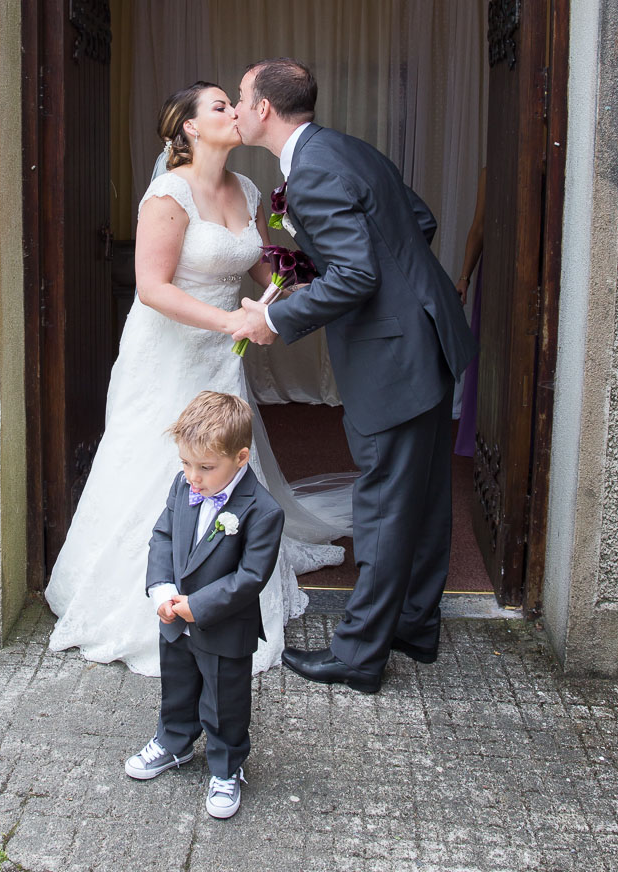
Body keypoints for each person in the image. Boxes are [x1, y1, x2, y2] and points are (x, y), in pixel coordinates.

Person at [45, 81, 342, 677]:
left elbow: (258, 261)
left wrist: (297, 282)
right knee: (158, 458)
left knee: (227, 455)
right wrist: (230, 318)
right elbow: (153, 289)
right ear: (188, 128)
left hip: (221, 354)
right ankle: (147, 593)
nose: (234, 112)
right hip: (169, 351)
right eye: (220, 106)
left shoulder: (248, 189)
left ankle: (227, 578)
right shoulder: (168, 194)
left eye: (233, 103)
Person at [232, 58, 477, 693]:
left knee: (384, 504)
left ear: (263, 109)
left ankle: (360, 655)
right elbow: (416, 221)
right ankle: (415, 626)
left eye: (240, 96)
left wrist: (276, 322)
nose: (236, 106)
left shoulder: (312, 172)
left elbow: (358, 276)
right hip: (428, 336)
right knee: (421, 496)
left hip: (394, 357)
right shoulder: (348, 151)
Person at [125, 392, 283, 819]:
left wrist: (200, 604)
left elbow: (250, 577)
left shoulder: (263, 511)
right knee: (177, 687)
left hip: (223, 625)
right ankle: (174, 742)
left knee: (224, 701)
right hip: (174, 618)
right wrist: (161, 588)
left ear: (241, 457)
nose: (192, 477)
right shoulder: (184, 485)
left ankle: (227, 767)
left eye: (206, 468)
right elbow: (164, 536)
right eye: (185, 464)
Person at [454, 167, 486, 457]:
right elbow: (479, 227)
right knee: (485, 348)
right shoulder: (491, 172)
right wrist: (465, 276)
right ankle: (477, 432)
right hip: (495, 264)